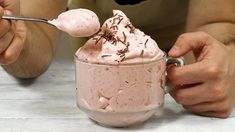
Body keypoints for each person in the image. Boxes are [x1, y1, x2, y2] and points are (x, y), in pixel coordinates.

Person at [0, 0, 235, 118]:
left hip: (177, 66)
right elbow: (33, 33)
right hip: (95, 69)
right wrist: (11, 37)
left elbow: (218, 26)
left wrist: (223, 61)